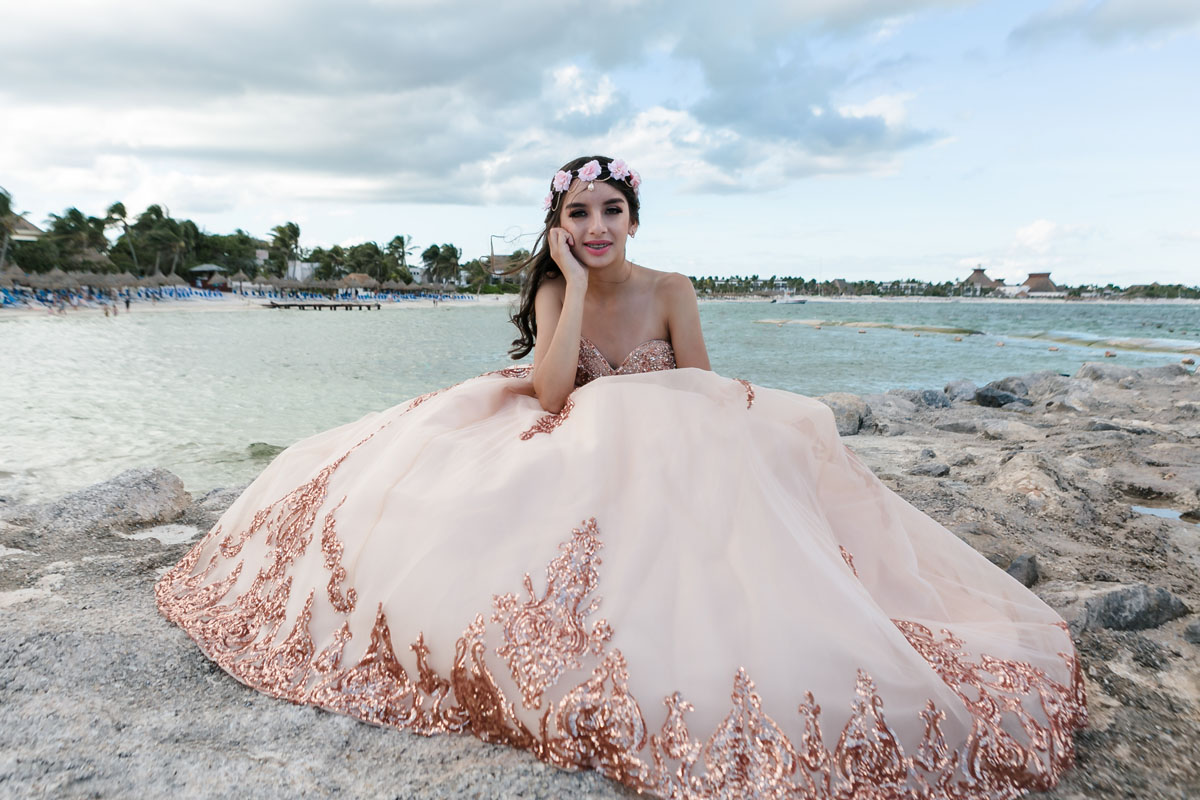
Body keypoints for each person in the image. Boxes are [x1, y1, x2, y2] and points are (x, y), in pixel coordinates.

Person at [156, 156, 1086, 799]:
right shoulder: (564, 284)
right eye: (577, 216)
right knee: (449, 488)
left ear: (634, 219)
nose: (596, 229)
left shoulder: (672, 286)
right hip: (571, 421)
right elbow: (555, 388)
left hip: (675, 428)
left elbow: (700, 382)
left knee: (718, 523)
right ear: (558, 227)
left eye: (610, 213)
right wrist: (561, 286)